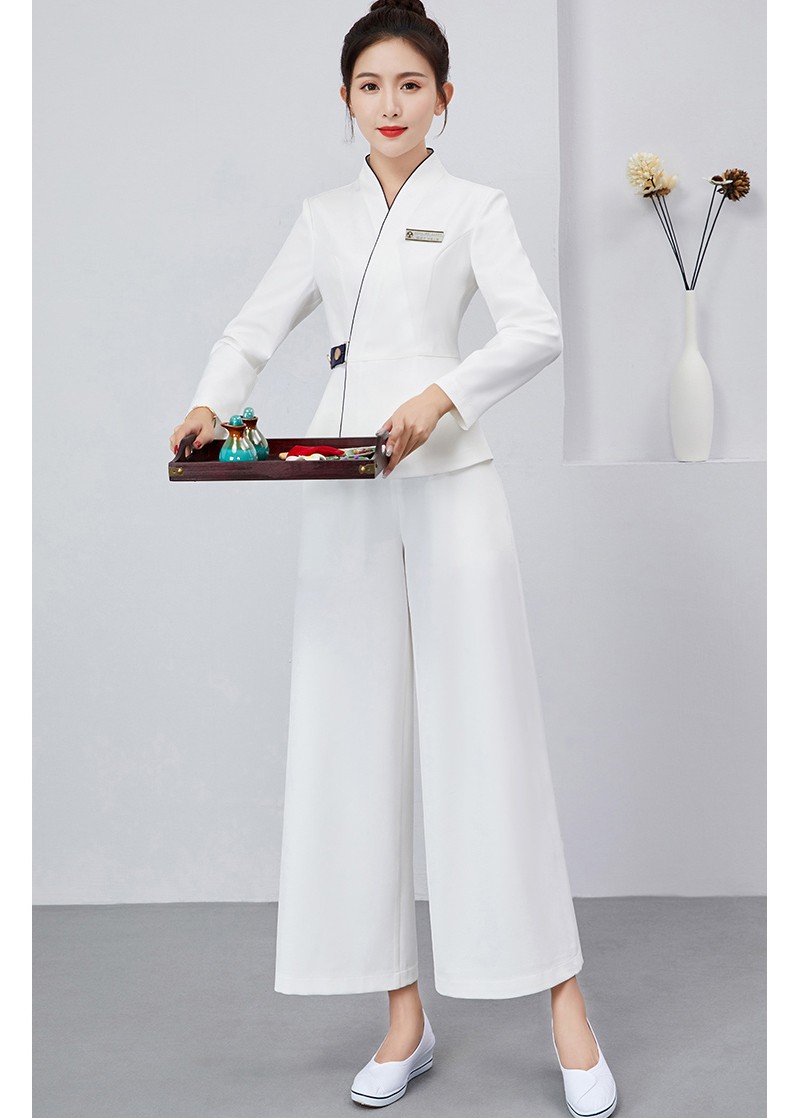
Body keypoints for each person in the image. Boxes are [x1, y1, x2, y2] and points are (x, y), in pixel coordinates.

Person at [169, 1, 618, 1113]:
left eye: (410, 84)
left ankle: (564, 1005)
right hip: (340, 483)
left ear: (443, 99)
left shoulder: (474, 206)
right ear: (344, 98)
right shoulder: (321, 215)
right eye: (369, 85)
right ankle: (402, 1018)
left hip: (451, 479)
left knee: (487, 731)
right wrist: (209, 402)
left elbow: (536, 328)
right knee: (349, 736)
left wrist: (440, 394)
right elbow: (252, 328)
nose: (389, 104)